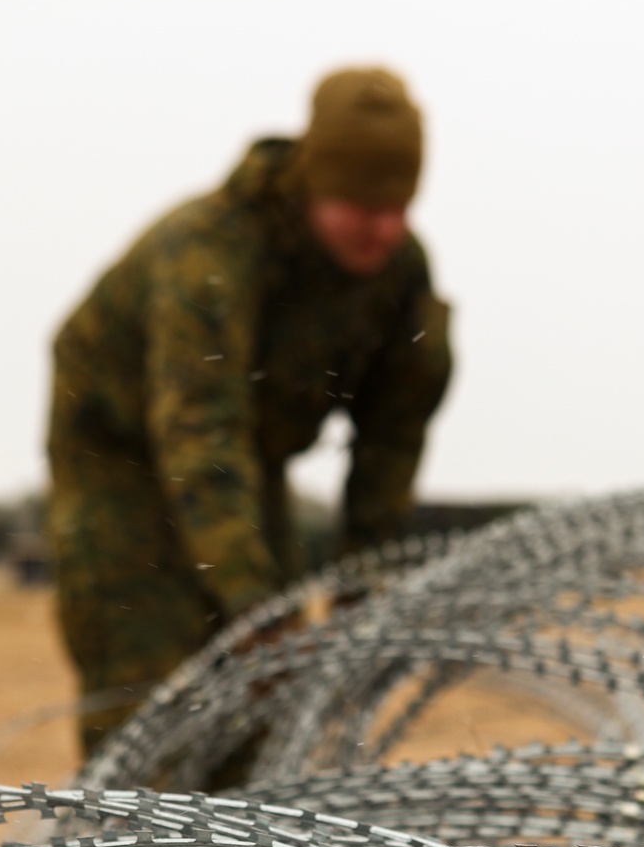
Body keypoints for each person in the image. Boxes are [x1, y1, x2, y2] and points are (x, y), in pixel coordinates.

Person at [47, 67, 452, 755]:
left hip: (250, 463)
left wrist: (364, 594)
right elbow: (200, 430)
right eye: (359, 205)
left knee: (262, 715)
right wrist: (259, 609)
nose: (380, 228)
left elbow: (393, 440)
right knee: (155, 703)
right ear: (314, 182)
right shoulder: (210, 251)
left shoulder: (398, 275)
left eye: (398, 207)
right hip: (122, 461)